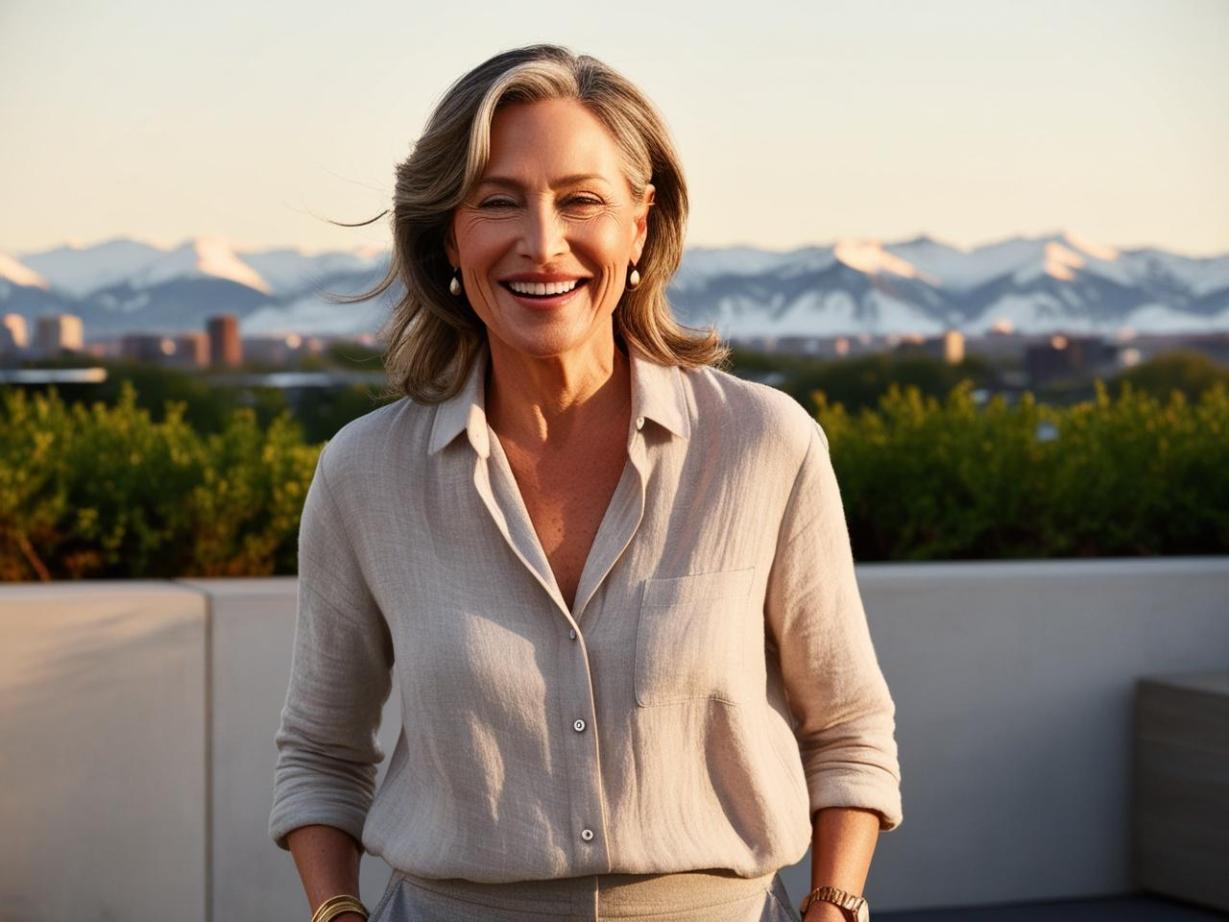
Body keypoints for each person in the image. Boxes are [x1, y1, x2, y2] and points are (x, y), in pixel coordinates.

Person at [269, 43, 902, 922]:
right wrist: (336, 913)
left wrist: (834, 906)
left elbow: (848, 731)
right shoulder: (364, 473)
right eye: (498, 202)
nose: (541, 243)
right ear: (448, 232)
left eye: (581, 201)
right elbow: (320, 753)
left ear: (640, 223)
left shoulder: (765, 445)